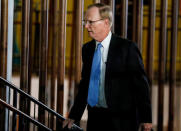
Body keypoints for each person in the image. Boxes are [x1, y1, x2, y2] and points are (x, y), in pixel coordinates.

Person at [63, 3, 152, 131]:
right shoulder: (87, 49)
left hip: (122, 120)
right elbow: (86, 84)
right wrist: (74, 115)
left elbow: (141, 85)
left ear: (106, 22)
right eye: (85, 22)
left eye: (91, 22)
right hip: (95, 117)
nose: (86, 26)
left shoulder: (127, 48)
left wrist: (146, 118)